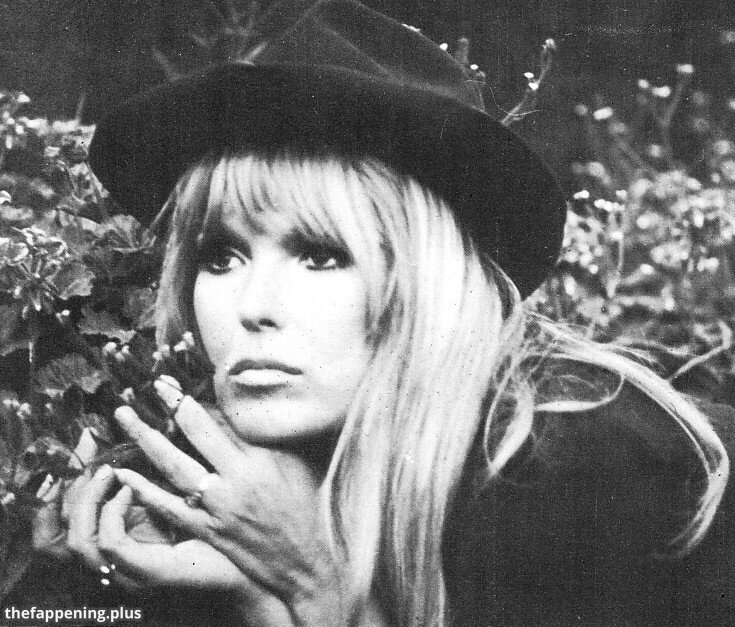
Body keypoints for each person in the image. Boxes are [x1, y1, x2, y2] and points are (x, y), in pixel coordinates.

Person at [29, 0, 735, 625]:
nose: (252, 307)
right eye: (220, 257)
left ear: (429, 282)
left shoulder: (584, 466)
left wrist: (317, 586)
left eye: (321, 255)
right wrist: (98, 597)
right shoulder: (238, 475)